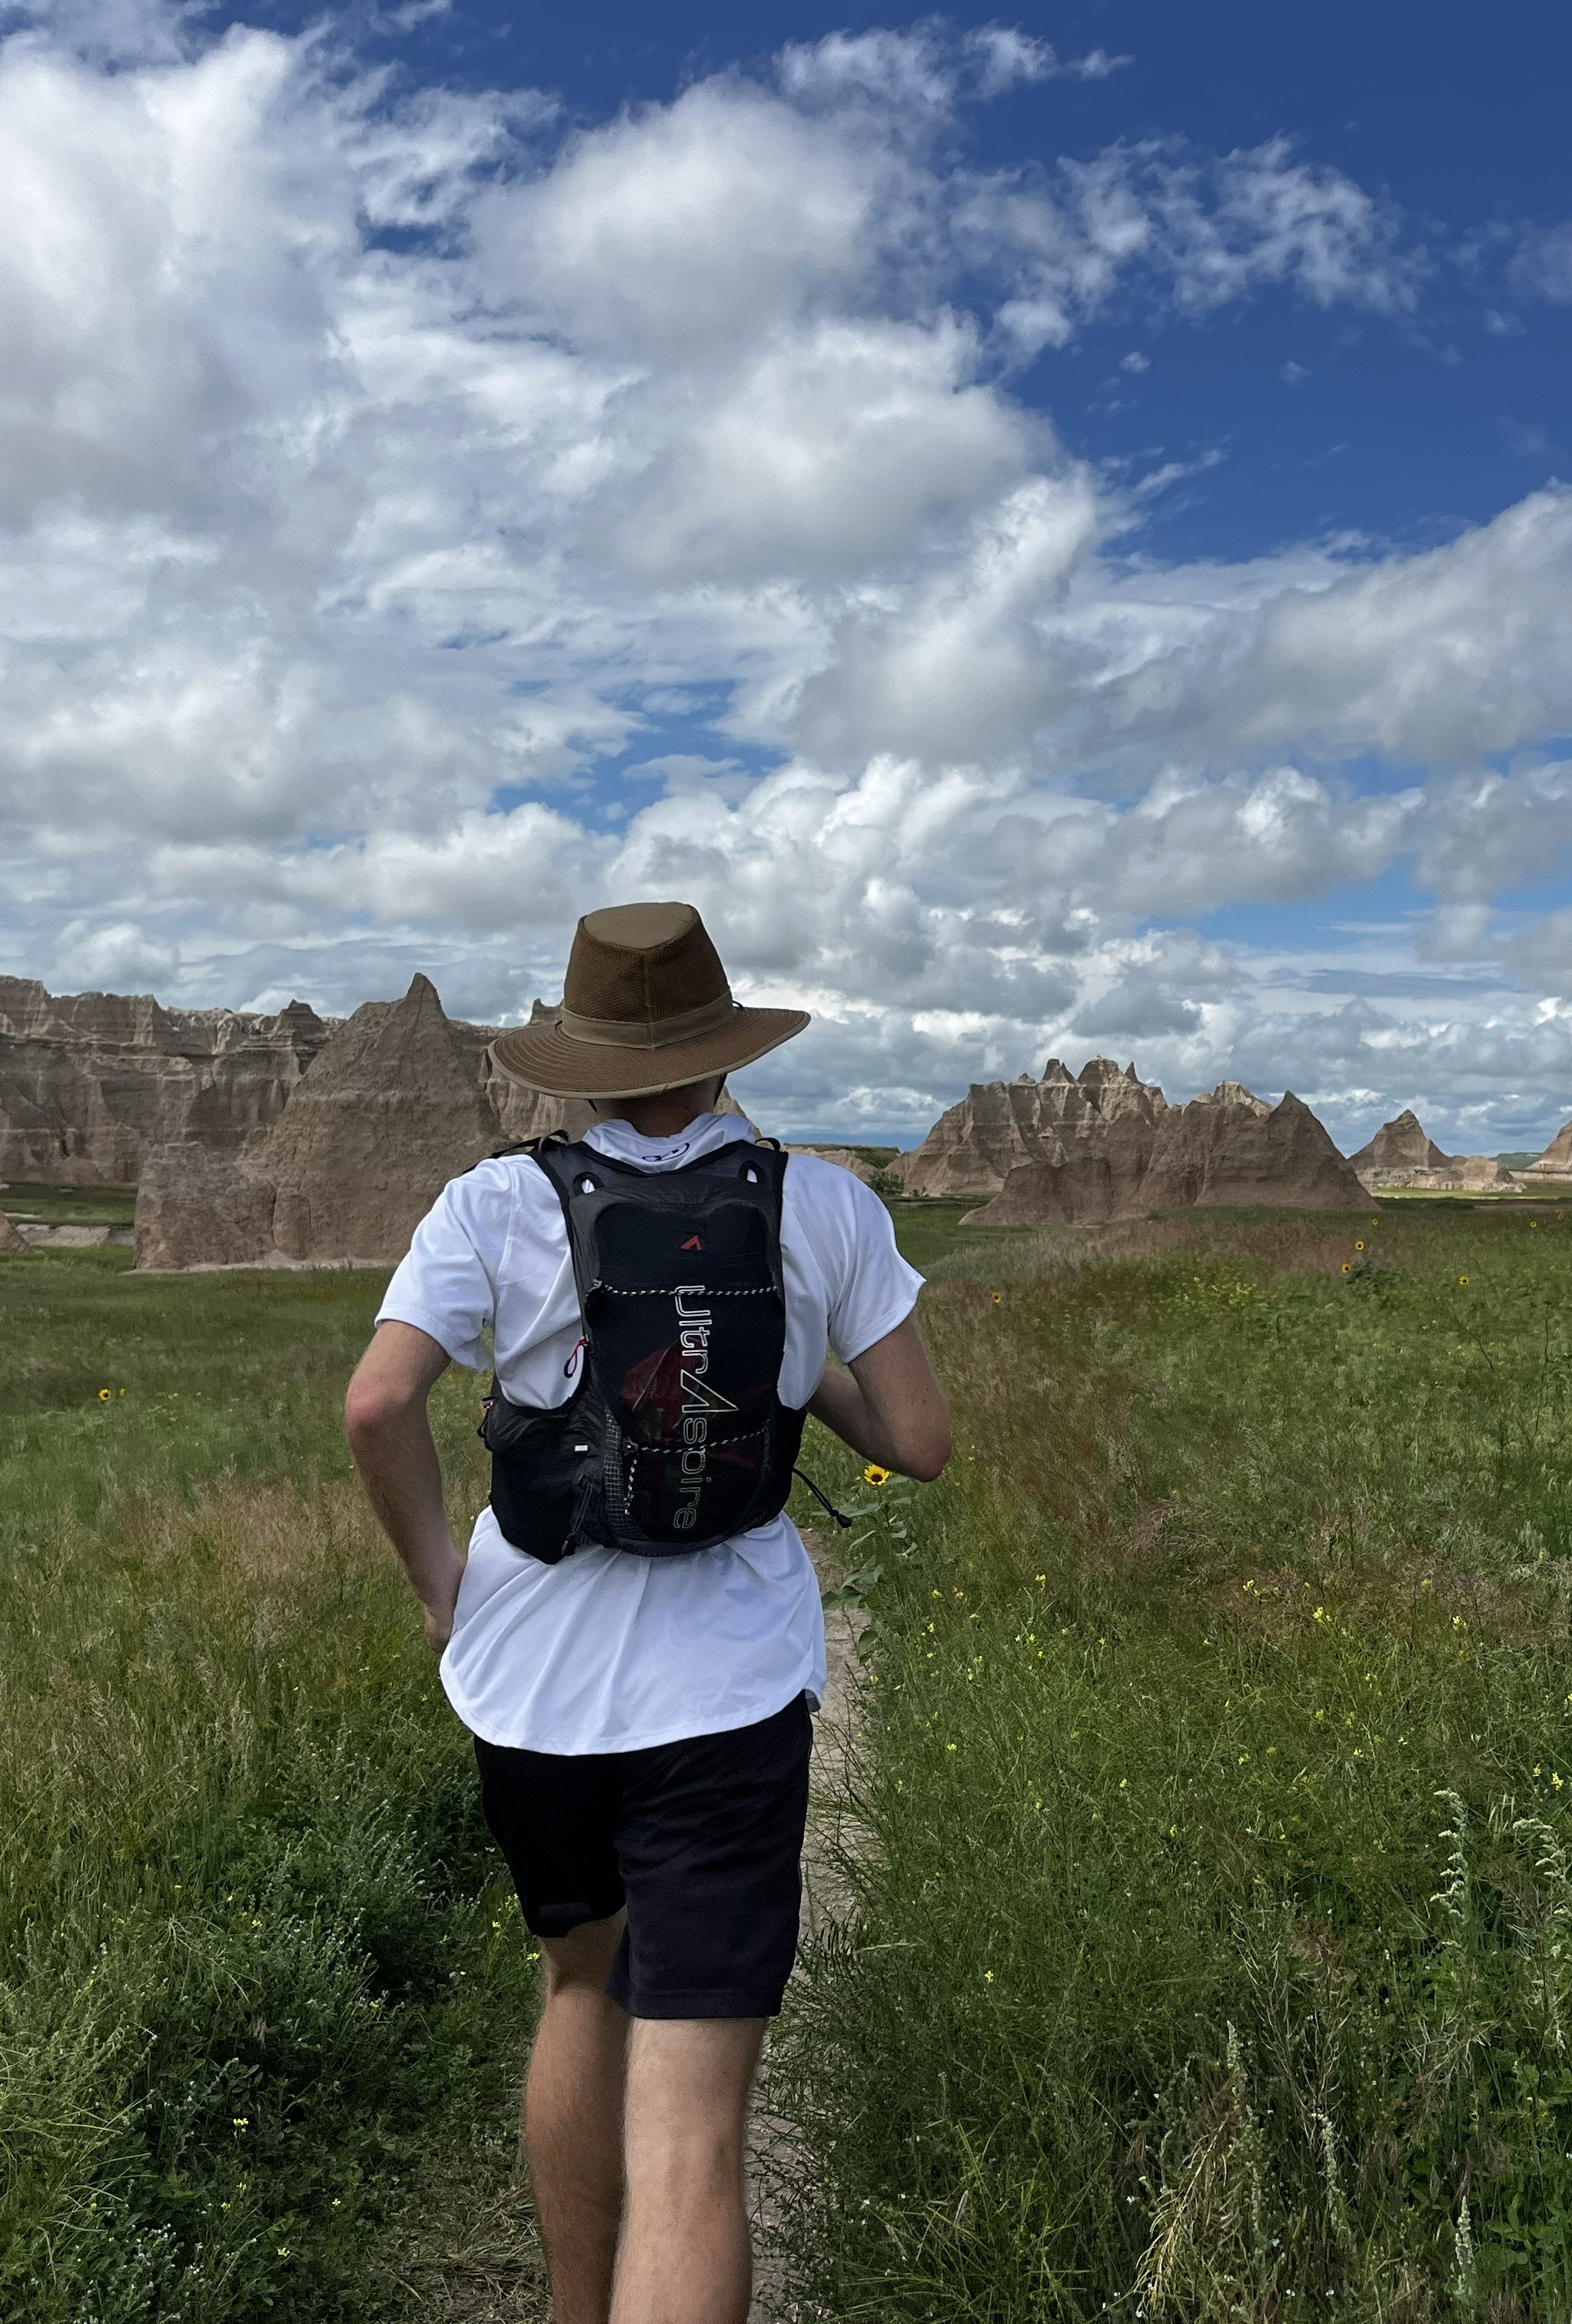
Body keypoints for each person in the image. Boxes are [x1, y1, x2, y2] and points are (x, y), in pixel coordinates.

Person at [343, 901, 949, 2324]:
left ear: (580, 1060)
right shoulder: (826, 1203)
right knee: (694, 2144)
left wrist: (446, 1591)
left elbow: (377, 1403)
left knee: (578, 1991)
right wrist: (790, 1368)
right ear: (725, 1051)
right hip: (730, 1695)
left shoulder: (488, 1204)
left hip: (532, 1687)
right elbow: (918, 1443)